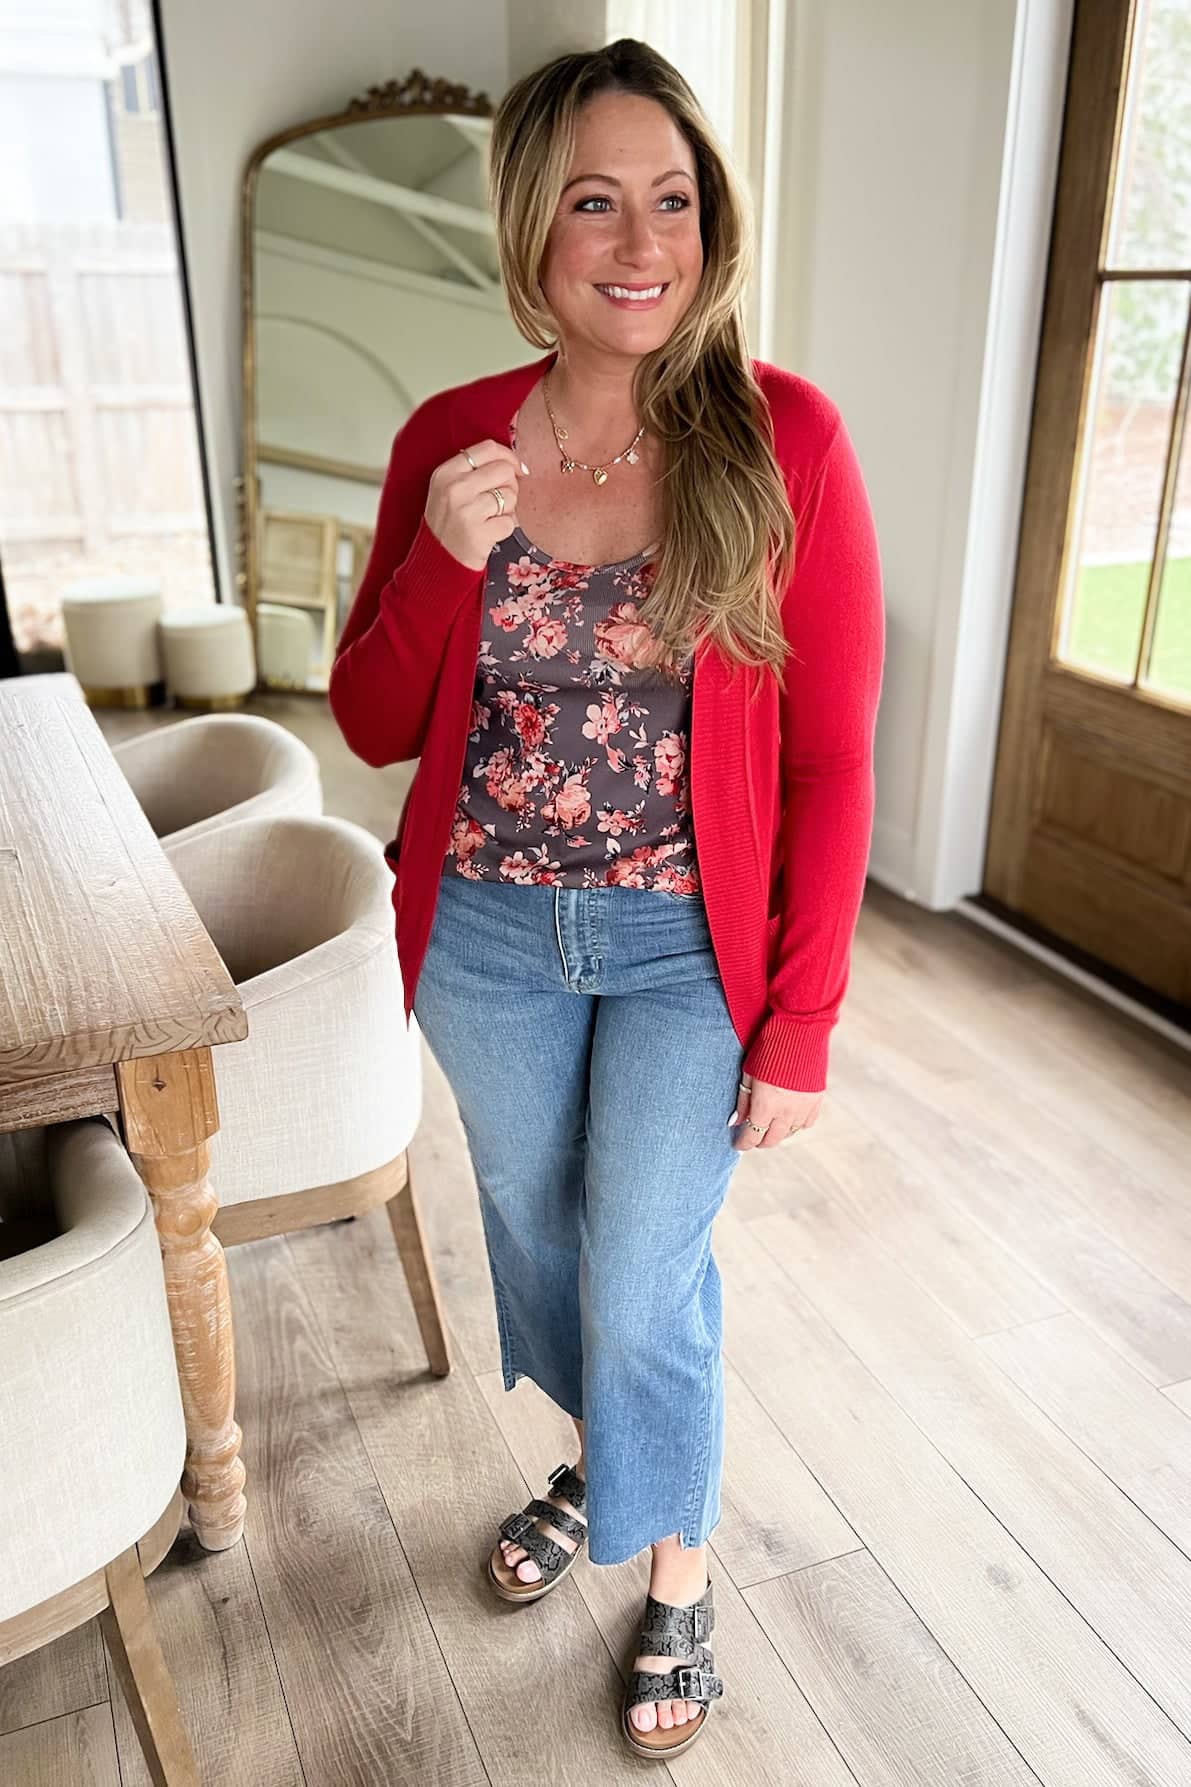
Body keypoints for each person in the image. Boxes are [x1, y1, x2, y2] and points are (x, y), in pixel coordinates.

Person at [329, 36, 884, 1762]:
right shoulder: (450, 439)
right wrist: (443, 560)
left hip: (683, 947)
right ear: (532, 226)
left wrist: (802, 1021)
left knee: (644, 1268)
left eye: (674, 200)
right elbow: (369, 722)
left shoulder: (784, 438)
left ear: (711, 224)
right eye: (594, 202)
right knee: (544, 1232)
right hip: (485, 938)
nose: (641, 244)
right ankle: (598, 1465)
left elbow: (830, 761)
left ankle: (678, 1569)